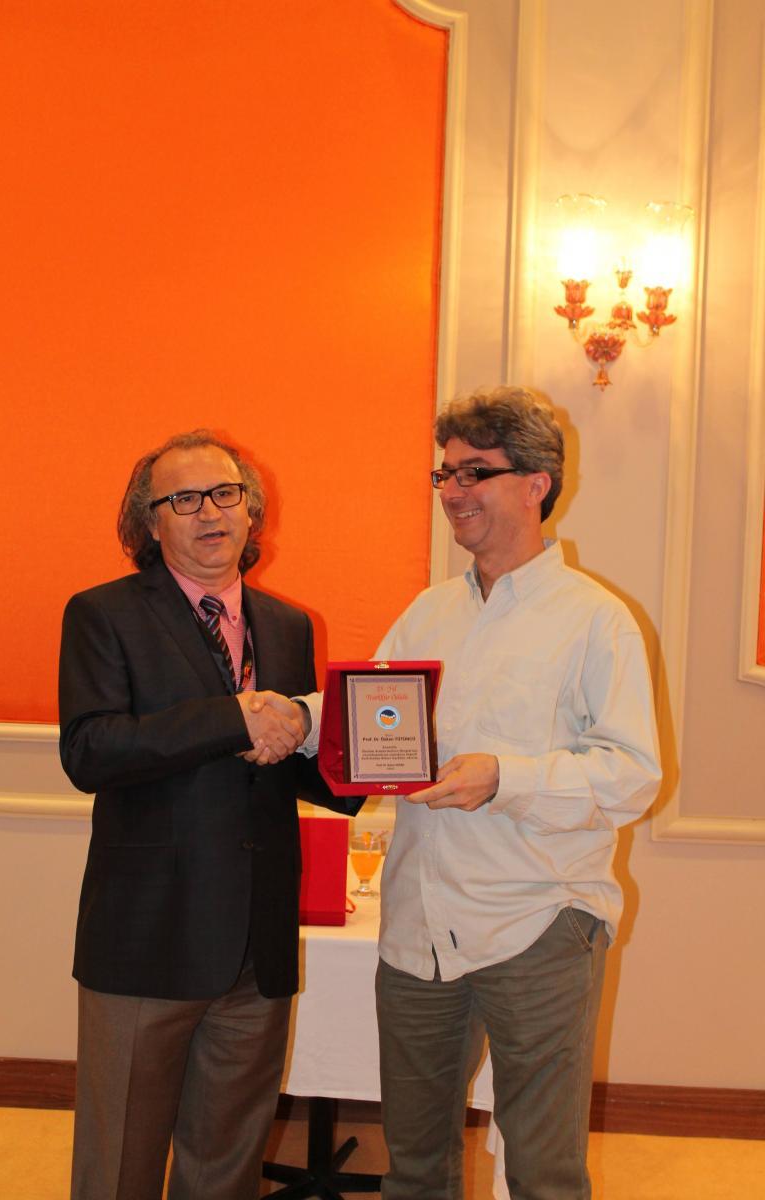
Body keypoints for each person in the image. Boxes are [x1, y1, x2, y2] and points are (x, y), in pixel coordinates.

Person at [285, 386, 661, 1199]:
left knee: (543, 1173)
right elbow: (366, 713)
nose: (453, 491)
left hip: (540, 922)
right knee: (414, 1169)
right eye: (445, 473)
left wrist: (507, 777)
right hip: (417, 931)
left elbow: (633, 774)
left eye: (475, 472)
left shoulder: (598, 620)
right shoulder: (428, 613)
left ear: (536, 484)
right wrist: (298, 717)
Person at [59, 429, 360, 1200]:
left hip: (256, 947)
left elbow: (290, 759)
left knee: (226, 1168)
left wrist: (368, 765)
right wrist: (235, 718)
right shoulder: (103, 614)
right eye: (184, 499)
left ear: (251, 511)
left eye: (225, 494)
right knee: (119, 1167)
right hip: (147, 941)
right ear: (150, 521)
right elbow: (91, 751)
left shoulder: (289, 625)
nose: (209, 512)